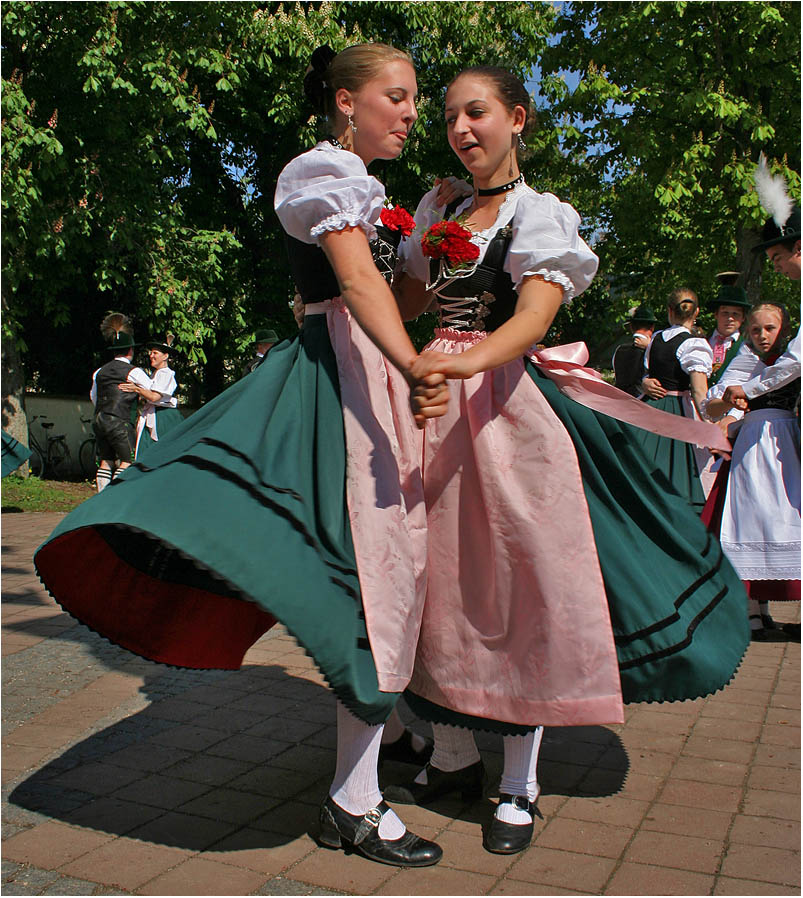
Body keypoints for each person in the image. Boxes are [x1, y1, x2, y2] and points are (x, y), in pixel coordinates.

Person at [34, 43, 450, 868]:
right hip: (337, 378)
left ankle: (394, 741)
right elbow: (356, 289)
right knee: (373, 574)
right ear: (343, 101)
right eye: (396, 97)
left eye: (413, 99)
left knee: (382, 568)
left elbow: (387, 291)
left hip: (361, 376)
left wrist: (430, 258)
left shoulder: (365, 190)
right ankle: (354, 799)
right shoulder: (317, 172)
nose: (410, 113)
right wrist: (410, 363)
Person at [387, 66, 748, 855]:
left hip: (500, 406)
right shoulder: (439, 206)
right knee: (429, 584)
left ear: (515, 119)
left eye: (475, 113)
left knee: (523, 585)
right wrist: (361, 265)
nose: (459, 129)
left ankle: (517, 779)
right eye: (448, 116)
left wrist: (454, 363)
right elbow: (412, 297)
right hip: (428, 404)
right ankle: (450, 753)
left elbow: (531, 320)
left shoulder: (539, 215)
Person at [701, 303, 800, 640]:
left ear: (784, 329)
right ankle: (751, 612)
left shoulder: (792, 358)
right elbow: (711, 405)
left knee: (783, 522)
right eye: (756, 329)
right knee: (752, 519)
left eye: (770, 328)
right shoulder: (744, 360)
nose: (762, 336)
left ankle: (766, 607)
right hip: (753, 446)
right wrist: (729, 400)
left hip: (790, 442)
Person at [638, 288, 713, 512]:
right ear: (696, 312)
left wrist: (644, 383)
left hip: (650, 409)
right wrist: (710, 424)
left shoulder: (656, 338)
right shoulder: (694, 344)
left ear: (670, 311)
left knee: (647, 467)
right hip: (678, 411)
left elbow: (645, 373)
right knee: (680, 477)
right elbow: (699, 391)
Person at [88, 314, 144, 492]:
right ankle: (114, 497)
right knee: (127, 461)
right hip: (120, 421)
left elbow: (93, 397)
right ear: (130, 350)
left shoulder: (99, 372)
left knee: (106, 461)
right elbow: (153, 391)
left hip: (99, 419)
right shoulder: (134, 371)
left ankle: (101, 498)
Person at [118, 334, 183, 459]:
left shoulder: (166, 374)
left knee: (162, 454)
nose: (151, 356)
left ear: (165, 356)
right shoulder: (156, 374)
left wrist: (136, 389)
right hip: (153, 415)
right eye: (150, 353)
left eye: (155, 353)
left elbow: (154, 397)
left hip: (163, 418)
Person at [706, 272, 750, 384]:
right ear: (716, 314)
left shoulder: (747, 346)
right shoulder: (702, 341)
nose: (730, 318)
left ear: (743, 317)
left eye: (736, 314)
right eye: (725, 313)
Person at [612, 303, 657, 396]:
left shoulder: (619, 349)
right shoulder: (655, 350)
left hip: (619, 401)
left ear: (631, 327)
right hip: (643, 403)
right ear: (652, 327)